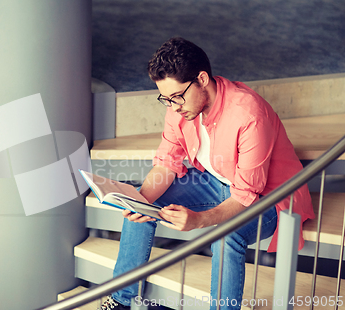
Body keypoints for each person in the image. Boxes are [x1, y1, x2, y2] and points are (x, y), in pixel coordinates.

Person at [98, 37, 315, 310]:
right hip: (217, 180)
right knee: (144, 205)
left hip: (271, 196)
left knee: (226, 237)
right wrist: (138, 200)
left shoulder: (248, 114)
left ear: (202, 79)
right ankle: (121, 300)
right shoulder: (178, 108)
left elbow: (246, 195)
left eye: (177, 96)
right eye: (165, 99)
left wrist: (200, 220)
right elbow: (167, 162)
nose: (173, 106)